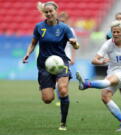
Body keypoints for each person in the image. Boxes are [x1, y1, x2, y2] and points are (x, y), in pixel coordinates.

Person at [22, 1, 79, 131]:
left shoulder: (65, 28)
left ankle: (63, 122)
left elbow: (75, 46)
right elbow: (33, 43)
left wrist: (75, 43)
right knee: (48, 99)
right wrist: (27, 54)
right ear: (44, 13)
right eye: (46, 12)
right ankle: (48, 84)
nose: (48, 14)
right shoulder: (39, 27)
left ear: (56, 11)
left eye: (51, 11)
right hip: (44, 64)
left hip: (61, 62)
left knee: (63, 89)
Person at [55, 11, 77, 106]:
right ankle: (60, 99)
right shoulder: (55, 30)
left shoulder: (71, 31)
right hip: (55, 58)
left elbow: (73, 45)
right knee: (57, 81)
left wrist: (73, 57)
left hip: (66, 58)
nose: (62, 22)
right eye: (61, 20)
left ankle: (63, 98)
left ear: (67, 21)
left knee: (64, 80)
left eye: (64, 21)